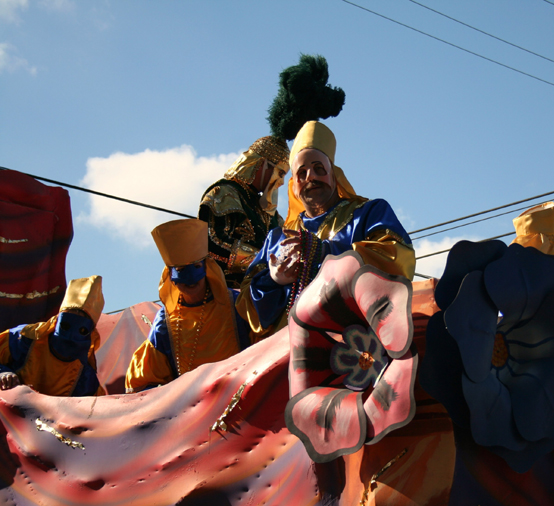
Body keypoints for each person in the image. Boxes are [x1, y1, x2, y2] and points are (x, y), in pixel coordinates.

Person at [237, 120, 415, 337]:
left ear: (333, 174)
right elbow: (245, 303)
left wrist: (324, 252)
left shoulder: (369, 213)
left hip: (354, 350)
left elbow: (396, 259)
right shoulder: (276, 238)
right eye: (302, 173)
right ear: (294, 186)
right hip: (285, 353)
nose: (310, 177)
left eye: (318, 168)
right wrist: (273, 280)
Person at [125, 219, 253, 393]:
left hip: (241, 398)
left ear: (206, 268)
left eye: (196, 267)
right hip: (192, 412)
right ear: (170, 276)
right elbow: (144, 380)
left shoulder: (237, 304)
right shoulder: (165, 324)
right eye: (181, 270)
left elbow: (266, 347)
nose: (191, 279)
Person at [198, 136, 289, 288]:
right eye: (280, 173)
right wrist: (261, 263)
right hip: (225, 293)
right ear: (262, 164)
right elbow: (212, 242)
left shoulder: (272, 215)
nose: (282, 182)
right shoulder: (225, 193)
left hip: (264, 291)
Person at [0, 276, 106, 396]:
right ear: (56, 320)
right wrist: (3, 373)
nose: (70, 335)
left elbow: (94, 411)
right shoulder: (24, 339)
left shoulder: (85, 378)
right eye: (65, 324)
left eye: (82, 330)